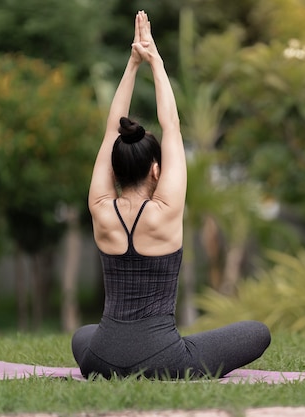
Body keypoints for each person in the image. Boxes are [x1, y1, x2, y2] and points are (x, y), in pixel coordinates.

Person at [71, 11, 271, 380]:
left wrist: (131, 66)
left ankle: (113, 350)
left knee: (83, 336)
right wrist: (155, 61)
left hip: (100, 359)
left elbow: (109, 133)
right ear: (156, 171)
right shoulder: (165, 210)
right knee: (258, 333)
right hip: (163, 359)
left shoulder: (100, 208)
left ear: (113, 170)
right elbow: (172, 125)